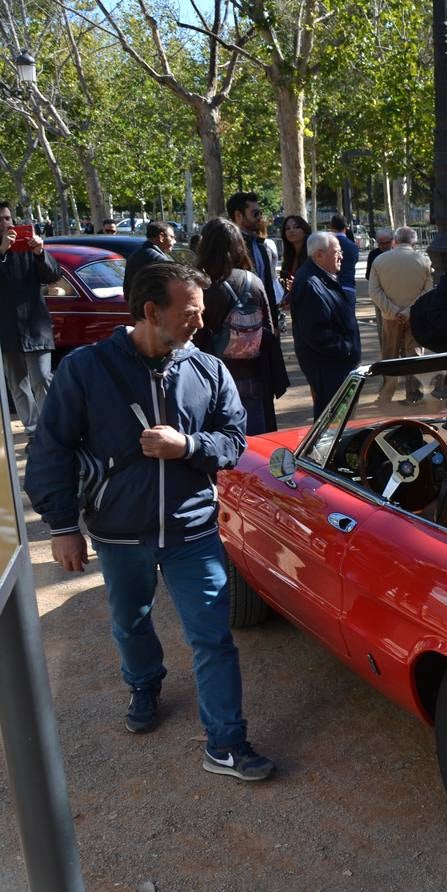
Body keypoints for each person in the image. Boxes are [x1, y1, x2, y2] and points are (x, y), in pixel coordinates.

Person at [24, 261, 275, 781]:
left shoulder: (208, 368)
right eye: (189, 312)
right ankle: (143, 684)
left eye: (202, 312)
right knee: (131, 622)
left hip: (192, 530)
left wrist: (188, 445)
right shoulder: (86, 369)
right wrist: (62, 526)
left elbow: (234, 440)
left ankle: (226, 743)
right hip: (119, 532)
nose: (199, 324)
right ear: (149, 311)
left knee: (213, 638)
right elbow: (52, 449)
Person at [195, 218, 285, 434]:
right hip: (255, 376)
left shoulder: (203, 287)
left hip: (216, 379)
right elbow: (269, 330)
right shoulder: (253, 281)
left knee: (225, 446)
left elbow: (197, 338)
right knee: (257, 449)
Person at [1, 201, 62, 431]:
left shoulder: (27, 246)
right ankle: (33, 428)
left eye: (7, 218)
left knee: (42, 377)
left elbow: (53, 275)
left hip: (34, 325)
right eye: (0, 220)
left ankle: (51, 427)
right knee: (17, 383)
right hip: (6, 328)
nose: (5, 223)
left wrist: (40, 253)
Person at [290, 231, 361, 417]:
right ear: (319, 255)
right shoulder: (310, 283)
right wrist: (346, 348)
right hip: (329, 367)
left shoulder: (321, 277)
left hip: (335, 365)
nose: (341, 256)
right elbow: (316, 333)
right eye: (337, 251)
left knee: (341, 418)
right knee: (334, 421)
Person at [369, 226, 433, 403]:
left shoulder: (380, 260)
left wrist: (393, 310)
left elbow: (374, 291)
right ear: (414, 241)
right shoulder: (424, 261)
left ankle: (386, 393)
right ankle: (414, 394)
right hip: (415, 316)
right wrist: (408, 311)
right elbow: (427, 292)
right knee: (414, 355)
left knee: (389, 355)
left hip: (390, 317)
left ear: (395, 241)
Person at [226, 193, 280, 331]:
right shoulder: (229, 247)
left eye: (260, 213)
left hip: (264, 324)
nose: (260, 218)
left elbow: (268, 289)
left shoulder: (261, 246)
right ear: (238, 216)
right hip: (240, 326)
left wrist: (274, 324)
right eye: (255, 213)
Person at [123, 221, 177, 297]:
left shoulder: (136, 253)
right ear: (161, 237)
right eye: (172, 237)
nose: (174, 241)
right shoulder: (159, 260)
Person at [328, 214, 360, 303]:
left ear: (331, 227)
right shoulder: (353, 246)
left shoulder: (326, 245)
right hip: (348, 286)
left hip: (330, 288)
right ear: (346, 227)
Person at [279, 214, 312, 297]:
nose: (291, 230)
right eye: (287, 228)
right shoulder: (288, 257)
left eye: (296, 227)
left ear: (305, 230)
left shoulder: (313, 255)